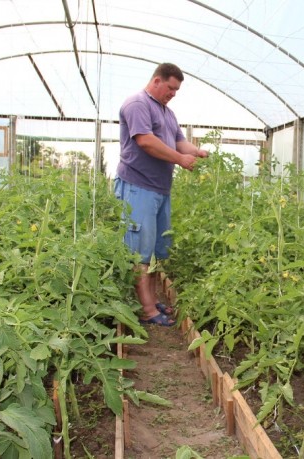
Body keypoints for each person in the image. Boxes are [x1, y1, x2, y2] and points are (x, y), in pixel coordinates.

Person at [114, 62, 208, 326]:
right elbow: (145, 140)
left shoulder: (167, 112)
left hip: (159, 189)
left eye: (177, 90)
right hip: (138, 187)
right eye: (170, 88)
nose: (173, 94)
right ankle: (146, 310)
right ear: (157, 81)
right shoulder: (137, 104)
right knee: (138, 252)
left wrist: (197, 152)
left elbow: (178, 140)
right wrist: (180, 159)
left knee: (155, 250)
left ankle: (150, 300)